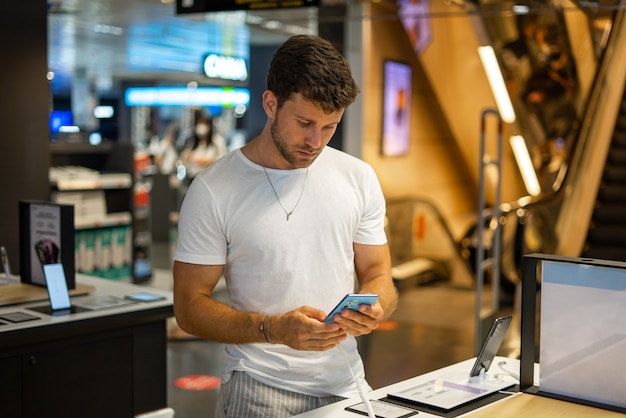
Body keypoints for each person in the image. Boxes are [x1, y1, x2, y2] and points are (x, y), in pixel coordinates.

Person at [172, 34, 398, 417]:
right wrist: (273, 329)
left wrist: (375, 307)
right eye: (305, 123)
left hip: (348, 386)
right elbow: (188, 307)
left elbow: (379, 274)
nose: (316, 141)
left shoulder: (358, 177)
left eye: (329, 127)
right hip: (258, 387)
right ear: (271, 103)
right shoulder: (214, 189)